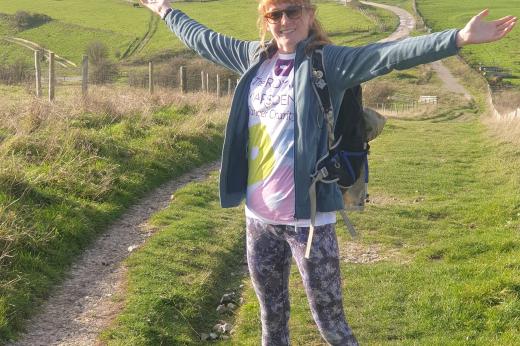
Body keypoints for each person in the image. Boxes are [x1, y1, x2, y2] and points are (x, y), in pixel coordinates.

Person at [140, 0, 516, 344]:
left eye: (293, 11)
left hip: (310, 220)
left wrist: (458, 38)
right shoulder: (253, 59)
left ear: (309, 13)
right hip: (258, 218)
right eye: (275, 14)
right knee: (271, 320)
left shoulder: (328, 63)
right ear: (265, 18)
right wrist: (164, 9)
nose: (285, 21)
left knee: (331, 323)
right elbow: (203, 38)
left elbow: (387, 55)